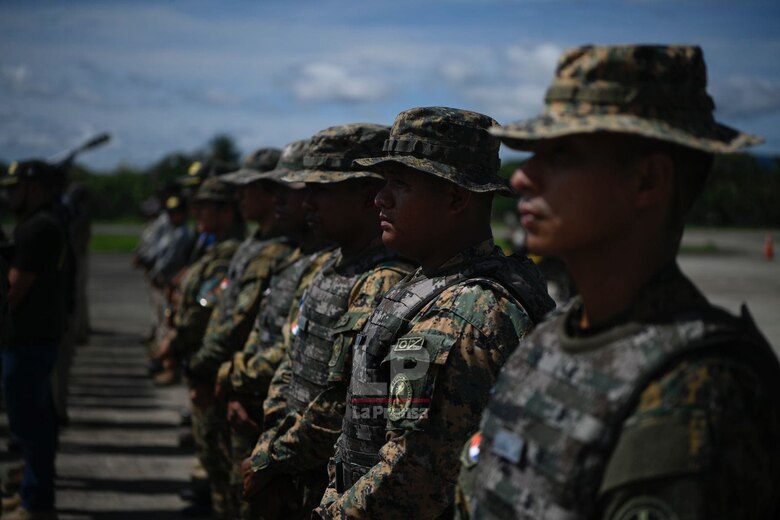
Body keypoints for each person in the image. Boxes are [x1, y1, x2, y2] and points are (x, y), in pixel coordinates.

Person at [456, 45, 780, 519]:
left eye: (562, 154)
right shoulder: (553, 333)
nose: (523, 177)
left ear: (647, 180)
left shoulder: (701, 390)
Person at [311, 107, 553, 519]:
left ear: (456, 197)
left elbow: (411, 477)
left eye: (400, 184)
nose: (379, 198)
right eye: (383, 182)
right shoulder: (431, 282)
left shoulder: (464, 313)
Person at [241, 123, 415, 518]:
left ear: (366, 194)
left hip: (329, 483)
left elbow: (346, 400)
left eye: (322, 191)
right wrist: (271, 441)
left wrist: (274, 458)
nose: (307, 204)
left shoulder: (383, 280)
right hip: (292, 466)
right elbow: (292, 357)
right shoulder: (326, 266)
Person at [185, 150, 296, 519]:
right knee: (226, 484)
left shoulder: (283, 252)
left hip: (248, 387)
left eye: (249, 187)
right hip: (233, 378)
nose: (240, 197)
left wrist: (205, 368)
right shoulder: (254, 245)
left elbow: (243, 323)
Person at [1, 160, 72, 520]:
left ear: (34, 188)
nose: (8, 194)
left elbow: (13, 289)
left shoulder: (38, 228)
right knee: (34, 421)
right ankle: (32, 491)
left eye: (15, 187)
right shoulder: (41, 224)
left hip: (29, 338)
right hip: (34, 337)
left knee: (29, 423)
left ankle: (36, 501)